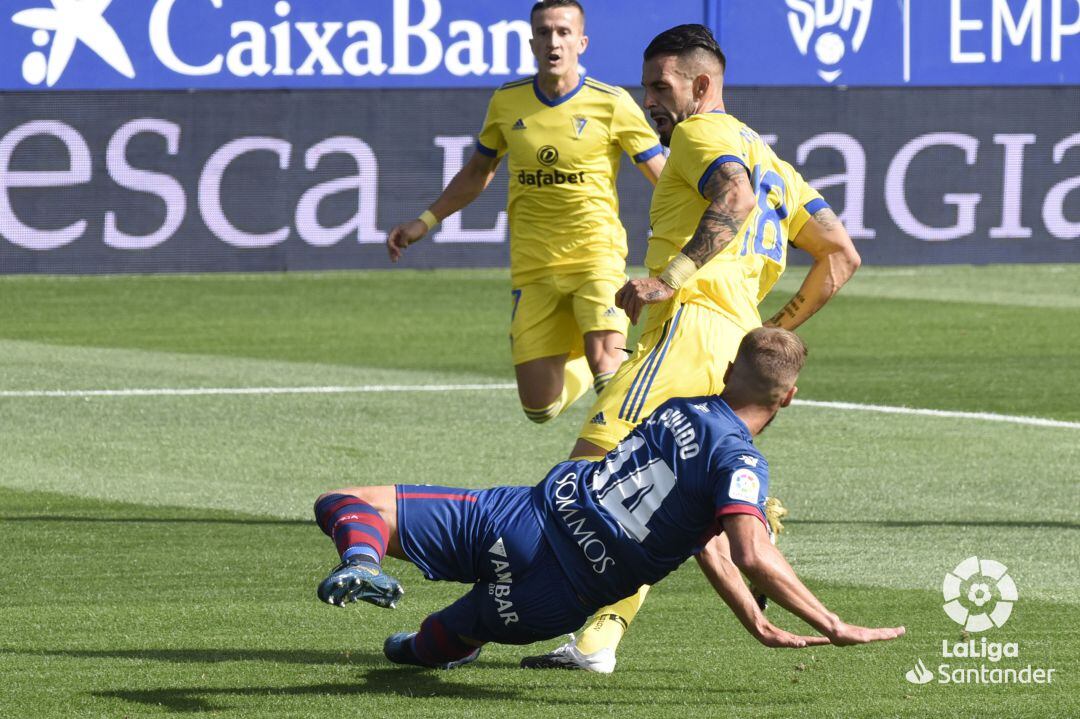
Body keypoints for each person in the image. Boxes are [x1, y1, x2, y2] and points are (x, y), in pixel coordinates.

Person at [523, 23, 863, 672]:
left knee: (579, 482)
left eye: (661, 86)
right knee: (653, 496)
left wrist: (668, 278)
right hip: (733, 345)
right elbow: (841, 257)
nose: (650, 100)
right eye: (646, 86)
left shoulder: (702, 132)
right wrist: (770, 331)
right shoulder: (780, 167)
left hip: (687, 334)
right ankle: (600, 638)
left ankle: (475, 622)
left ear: (702, 86)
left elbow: (731, 195)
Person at [312, 328, 905, 669]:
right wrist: (831, 623)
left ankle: (364, 561)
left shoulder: (678, 408)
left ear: (728, 370)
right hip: (557, 597)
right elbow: (742, 552)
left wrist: (757, 619)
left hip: (522, 519)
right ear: (790, 397)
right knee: (430, 643)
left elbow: (712, 545)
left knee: (345, 502)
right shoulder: (741, 463)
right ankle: (430, 643)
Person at [386, 0, 666, 425]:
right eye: (545, 32)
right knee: (539, 408)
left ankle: (620, 454)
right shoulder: (507, 101)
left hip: (596, 256)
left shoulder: (612, 103)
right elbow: (479, 170)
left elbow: (662, 176)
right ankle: (586, 368)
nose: (554, 41)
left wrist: (702, 214)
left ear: (581, 41)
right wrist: (425, 221)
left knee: (607, 367)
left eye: (564, 32)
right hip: (534, 265)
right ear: (532, 40)